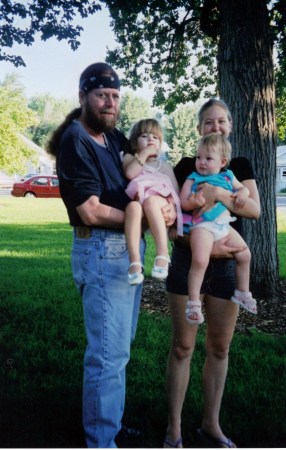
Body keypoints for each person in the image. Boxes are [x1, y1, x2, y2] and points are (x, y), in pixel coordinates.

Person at [47, 62, 175, 448]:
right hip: (101, 249)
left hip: (123, 251)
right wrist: (146, 222)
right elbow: (91, 210)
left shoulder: (111, 136)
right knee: (107, 355)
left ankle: (109, 426)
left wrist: (163, 205)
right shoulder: (76, 139)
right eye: (102, 95)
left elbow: (140, 167)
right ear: (83, 96)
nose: (110, 102)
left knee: (118, 348)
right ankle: (100, 440)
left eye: (116, 96)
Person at [164, 99, 261, 448]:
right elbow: (172, 223)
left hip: (226, 271)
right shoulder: (187, 167)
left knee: (219, 349)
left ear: (230, 126)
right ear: (199, 128)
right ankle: (174, 429)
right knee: (182, 346)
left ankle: (210, 425)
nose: (215, 127)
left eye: (221, 121)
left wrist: (221, 192)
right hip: (190, 261)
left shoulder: (239, 165)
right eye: (208, 122)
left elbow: (254, 210)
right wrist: (201, 242)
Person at [181, 133, 257, 325]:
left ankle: (242, 292)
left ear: (222, 161)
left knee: (244, 254)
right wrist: (192, 202)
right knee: (200, 261)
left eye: (208, 158)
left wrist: (242, 193)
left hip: (223, 224)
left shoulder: (228, 176)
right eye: (199, 157)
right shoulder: (193, 178)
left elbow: (243, 189)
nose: (201, 162)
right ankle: (193, 304)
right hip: (203, 226)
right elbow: (182, 202)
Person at [123, 118, 183, 285]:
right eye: (144, 136)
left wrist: (174, 223)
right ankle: (134, 263)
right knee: (133, 207)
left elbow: (176, 194)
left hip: (162, 203)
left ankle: (162, 254)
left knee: (151, 202)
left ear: (160, 143)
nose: (150, 139)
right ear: (135, 143)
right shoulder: (130, 159)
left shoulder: (164, 166)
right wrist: (143, 154)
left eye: (155, 137)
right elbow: (130, 174)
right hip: (141, 204)